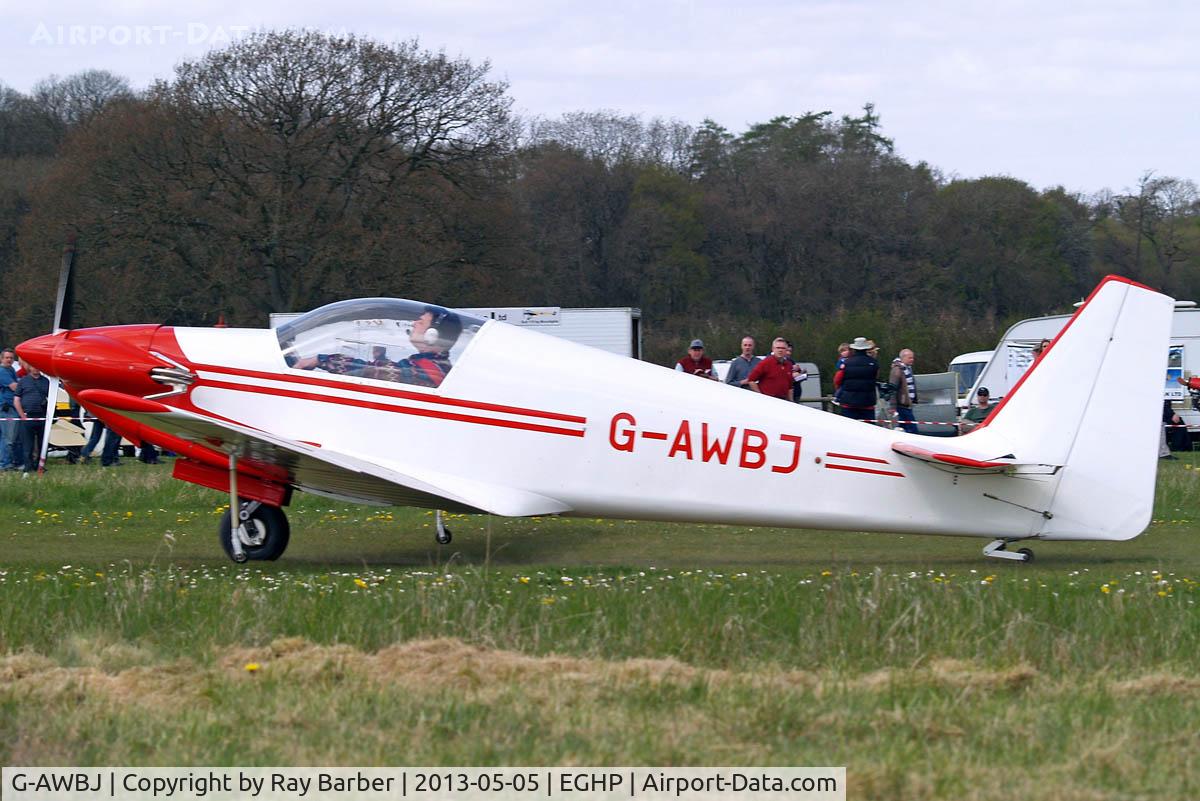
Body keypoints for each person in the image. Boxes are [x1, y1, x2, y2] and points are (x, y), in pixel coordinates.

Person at [294, 307, 462, 388]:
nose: (414, 323)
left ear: (433, 334)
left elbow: (372, 372)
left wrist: (320, 360)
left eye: (421, 321)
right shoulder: (433, 365)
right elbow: (396, 375)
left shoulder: (429, 370)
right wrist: (380, 359)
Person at [13, 359, 50, 473]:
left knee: (42, 445)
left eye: (38, 366)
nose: (36, 369)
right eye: (33, 366)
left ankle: (39, 466)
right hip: (27, 417)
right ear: (29, 368)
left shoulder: (46, 381)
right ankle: (27, 468)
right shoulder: (23, 381)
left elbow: (51, 398)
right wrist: (22, 415)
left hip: (43, 417)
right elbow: (16, 399)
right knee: (27, 445)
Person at [837, 337, 879, 422]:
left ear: (854, 349)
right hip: (867, 402)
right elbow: (876, 377)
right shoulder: (874, 363)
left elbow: (838, 380)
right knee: (868, 430)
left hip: (849, 402)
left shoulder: (847, 363)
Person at [888, 348, 919, 434]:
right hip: (901, 405)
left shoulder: (908, 369)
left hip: (907, 404)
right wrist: (892, 406)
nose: (912, 360)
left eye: (913, 358)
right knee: (913, 430)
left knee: (903, 429)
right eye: (910, 358)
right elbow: (892, 389)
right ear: (903, 358)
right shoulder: (897, 370)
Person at [0, 348, 18, 470]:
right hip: (7, 408)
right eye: (7, 357)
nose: (9, 360)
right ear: (1, 359)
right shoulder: (2, 371)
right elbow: (14, 387)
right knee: (8, 438)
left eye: (11, 358)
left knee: (7, 437)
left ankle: (6, 462)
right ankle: (5, 464)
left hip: (11, 406)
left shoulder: (11, 369)